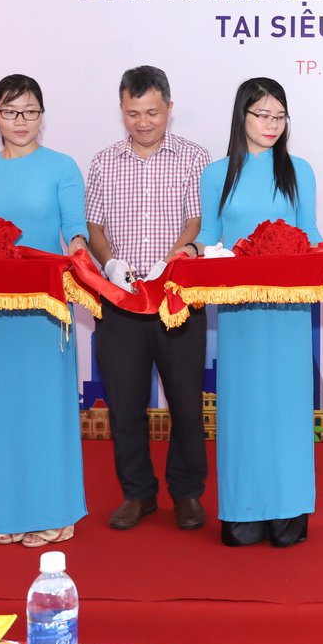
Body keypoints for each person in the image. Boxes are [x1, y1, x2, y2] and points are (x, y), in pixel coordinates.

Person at [0, 75, 89, 546]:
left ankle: (52, 510)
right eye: (10, 112)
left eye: (30, 111)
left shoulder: (62, 166)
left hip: (45, 307)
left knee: (44, 410)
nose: (21, 121)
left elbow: (74, 228)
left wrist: (76, 249)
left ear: (42, 116)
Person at [191, 78, 321, 548]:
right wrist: (191, 254)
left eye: (279, 116)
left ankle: (289, 508)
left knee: (286, 410)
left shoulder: (299, 170)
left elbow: (308, 232)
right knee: (243, 410)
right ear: (241, 116)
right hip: (238, 311)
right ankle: (242, 508)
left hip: (287, 310)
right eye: (261, 114)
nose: (271, 125)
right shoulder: (216, 173)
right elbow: (209, 236)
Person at [85, 66, 211, 532]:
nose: (143, 122)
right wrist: (110, 261)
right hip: (120, 299)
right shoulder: (103, 161)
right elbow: (94, 224)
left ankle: (187, 493)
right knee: (124, 403)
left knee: (185, 402)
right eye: (133, 112)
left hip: (177, 300)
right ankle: (138, 493)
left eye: (152, 112)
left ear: (169, 110)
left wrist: (176, 259)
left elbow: (199, 221)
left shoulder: (196, 158)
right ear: (121, 110)